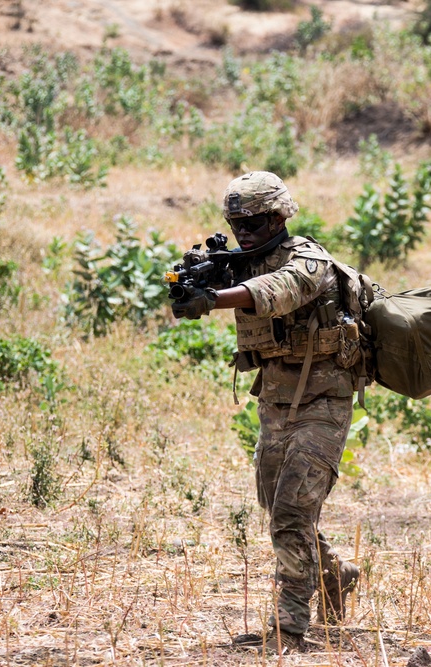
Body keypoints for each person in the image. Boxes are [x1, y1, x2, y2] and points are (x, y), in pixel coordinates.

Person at [171, 171, 361, 654]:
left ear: (279, 216)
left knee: (292, 513)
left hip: (324, 402)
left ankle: (289, 629)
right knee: (278, 508)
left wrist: (213, 299)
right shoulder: (241, 261)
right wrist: (199, 276)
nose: (245, 232)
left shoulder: (308, 260)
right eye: (237, 224)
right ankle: (335, 575)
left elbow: (278, 291)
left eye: (254, 221)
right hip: (275, 401)